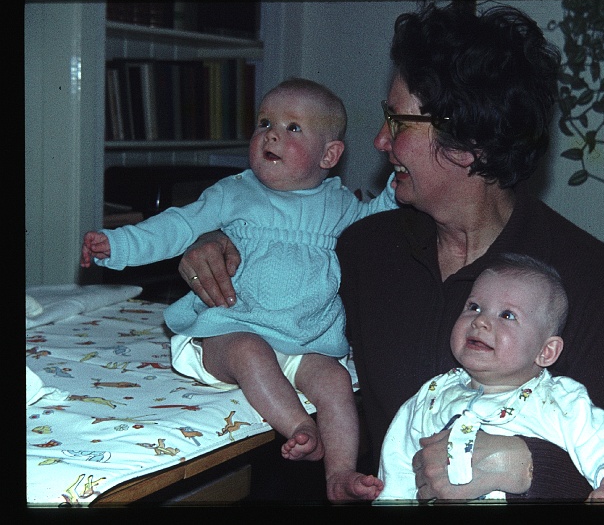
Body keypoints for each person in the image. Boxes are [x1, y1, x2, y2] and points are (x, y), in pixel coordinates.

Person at [178, 2, 604, 502]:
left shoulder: (581, 272)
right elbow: (280, 312)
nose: (378, 141)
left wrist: (522, 466)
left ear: (469, 143)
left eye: (397, 123)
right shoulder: (366, 248)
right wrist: (224, 245)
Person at [80, 77, 392, 501]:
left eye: (293, 128)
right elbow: (177, 225)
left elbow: (376, 226)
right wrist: (117, 244)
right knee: (250, 351)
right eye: (265, 122)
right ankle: (300, 426)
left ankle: (339, 475)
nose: (272, 134)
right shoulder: (235, 192)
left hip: (304, 341)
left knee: (336, 379)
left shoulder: (340, 207)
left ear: (329, 155)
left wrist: (395, 188)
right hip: (229, 332)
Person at [376, 253, 604, 503]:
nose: (480, 321)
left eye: (507, 315)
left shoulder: (562, 402)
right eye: (474, 306)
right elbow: (399, 464)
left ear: (546, 351)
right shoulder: (433, 394)